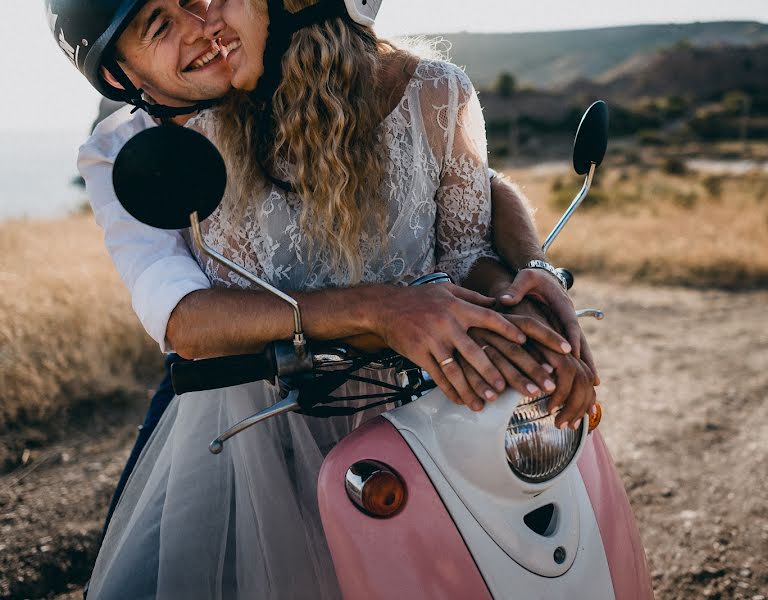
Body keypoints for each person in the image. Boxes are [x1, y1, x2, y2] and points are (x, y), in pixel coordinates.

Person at [46, 0, 598, 596]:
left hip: (416, 391)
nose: (200, 25)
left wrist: (527, 289)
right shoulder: (132, 148)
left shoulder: (374, 86)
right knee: (149, 576)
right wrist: (383, 310)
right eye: (160, 27)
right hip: (249, 390)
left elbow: (469, 190)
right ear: (118, 75)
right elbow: (182, 316)